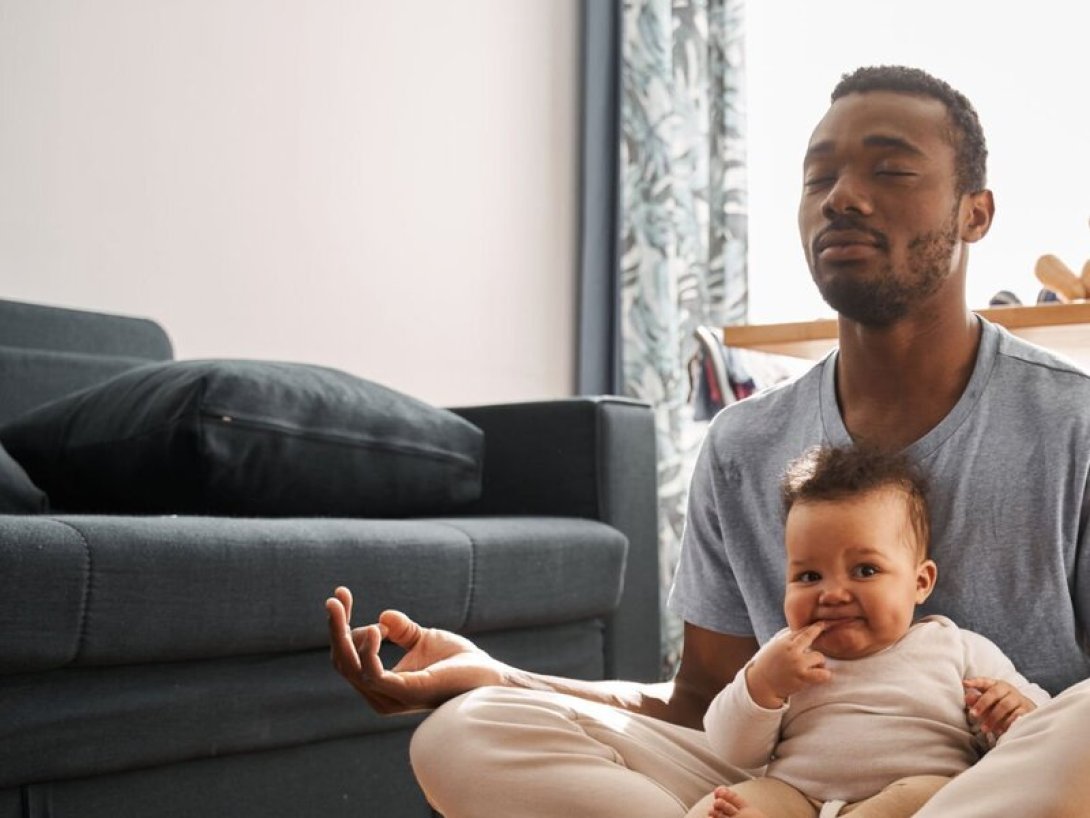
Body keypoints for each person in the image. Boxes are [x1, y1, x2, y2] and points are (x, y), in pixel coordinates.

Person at [326, 65, 1090, 817]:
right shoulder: (745, 442)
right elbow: (698, 706)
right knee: (468, 732)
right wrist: (499, 677)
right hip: (784, 787)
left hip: (993, 783)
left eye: (889, 169)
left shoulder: (1073, 423)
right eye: (818, 176)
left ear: (975, 214)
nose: (842, 198)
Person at [695, 444, 1049, 818]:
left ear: (921, 582)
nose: (832, 594)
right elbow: (731, 749)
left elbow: (1044, 732)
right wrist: (762, 686)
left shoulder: (956, 648)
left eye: (865, 570)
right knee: (720, 807)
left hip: (916, 791)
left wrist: (1015, 712)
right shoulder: (785, 657)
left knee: (936, 793)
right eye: (809, 576)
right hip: (797, 794)